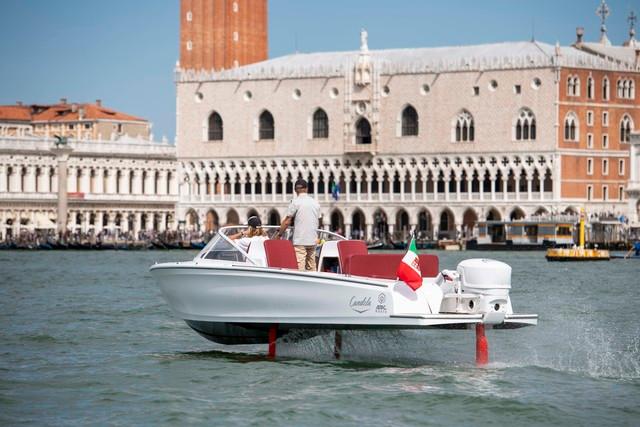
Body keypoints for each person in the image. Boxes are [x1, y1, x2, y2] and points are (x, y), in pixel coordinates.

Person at [275, 178, 320, 271]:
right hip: (312, 239)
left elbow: (287, 221)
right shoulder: (315, 203)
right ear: (307, 189)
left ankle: (301, 284)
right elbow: (317, 219)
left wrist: (279, 234)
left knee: (300, 267)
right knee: (312, 266)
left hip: (300, 240)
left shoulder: (295, 202)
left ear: (295, 190)